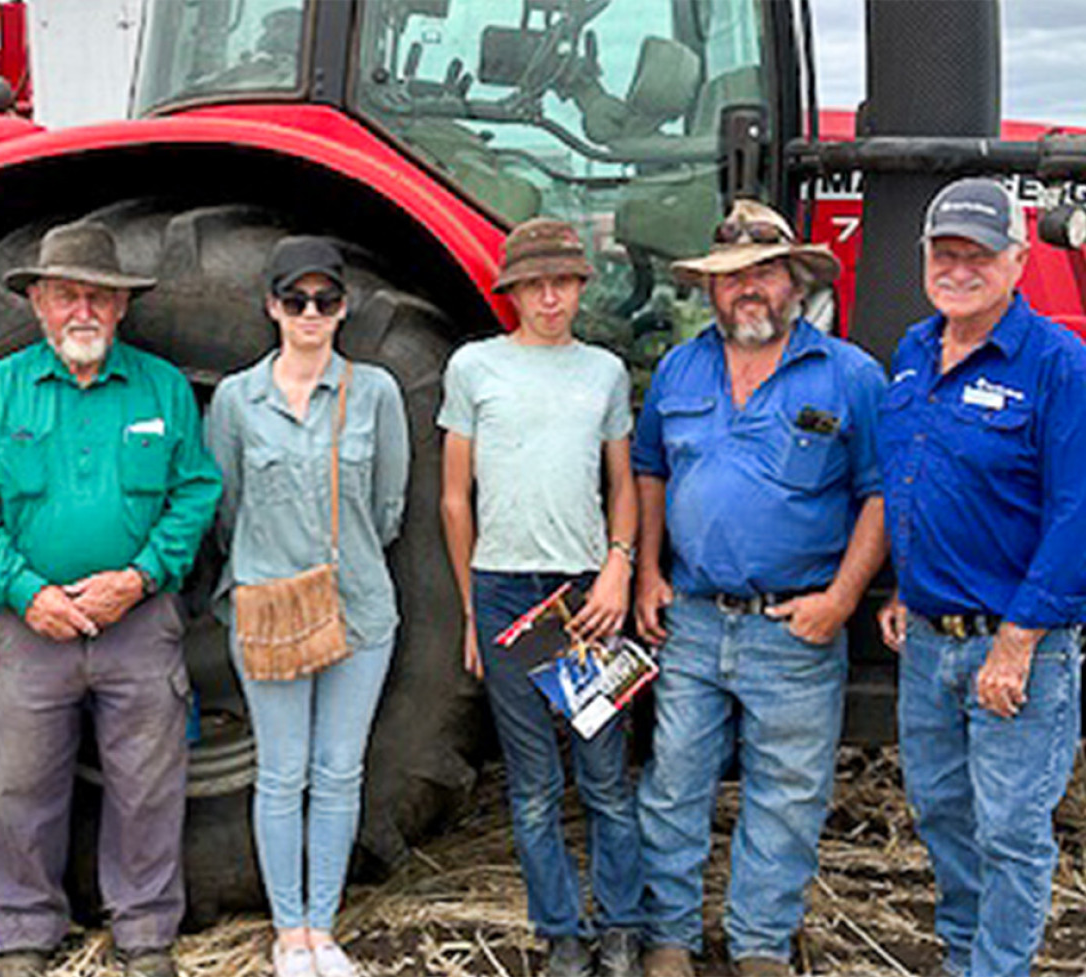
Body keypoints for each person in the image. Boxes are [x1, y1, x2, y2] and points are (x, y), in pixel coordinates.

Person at [0, 218, 221, 977]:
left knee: (147, 784)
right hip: (32, 627)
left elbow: (196, 492)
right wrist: (25, 592)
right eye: (66, 295)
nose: (83, 311)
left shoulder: (162, 385)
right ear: (36, 302)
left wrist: (137, 579)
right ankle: (26, 929)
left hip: (137, 622)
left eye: (99, 297)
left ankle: (143, 930)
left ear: (122, 307)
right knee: (19, 782)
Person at [631, 200, 888, 977]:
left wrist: (843, 598)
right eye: (731, 276)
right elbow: (650, 470)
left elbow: (881, 493)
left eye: (765, 273)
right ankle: (669, 937)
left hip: (797, 623)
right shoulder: (680, 367)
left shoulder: (849, 375)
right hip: (696, 617)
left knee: (786, 795)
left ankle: (759, 945)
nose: (748, 289)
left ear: (794, 283)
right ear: (709, 289)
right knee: (674, 783)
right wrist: (647, 571)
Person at [875, 178, 1086, 977]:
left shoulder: (1060, 365)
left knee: (1011, 828)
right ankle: (966, 956)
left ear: (1018, 260)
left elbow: (1078, 513)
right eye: (945, 252)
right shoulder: (913, 350)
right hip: (928, 640)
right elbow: (917, 477)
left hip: (1014, 646)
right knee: (943, 814)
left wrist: (1020, 637)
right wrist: (906, 582)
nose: (959, 268)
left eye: (979, 254)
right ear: (926, 256)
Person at [439, 217, 644, 977]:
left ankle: (620, 925)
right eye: (535, 283)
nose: (550, 295)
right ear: (513, 291)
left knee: (604, 774)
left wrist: (618, 566)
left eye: (563, 281)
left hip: (581, 595)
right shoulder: (475, 368)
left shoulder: (603, 372)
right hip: (502, 591)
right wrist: (469, 607)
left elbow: (622, 484)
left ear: (581, 287)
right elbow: (455, 498)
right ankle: (562, 929)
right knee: (533, 781)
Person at [205, 237, 410, 977]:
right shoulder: (235, 400)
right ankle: (287, 931)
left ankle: (324, 925)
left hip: (357, 607)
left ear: (344, 306)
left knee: (338, 771)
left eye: (326, 300)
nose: (311, 313)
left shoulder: (376, 392)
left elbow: (389, 506)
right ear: (272, 305)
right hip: (268, 609)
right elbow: (225, 510)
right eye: (296, 300)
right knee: (281, 771)